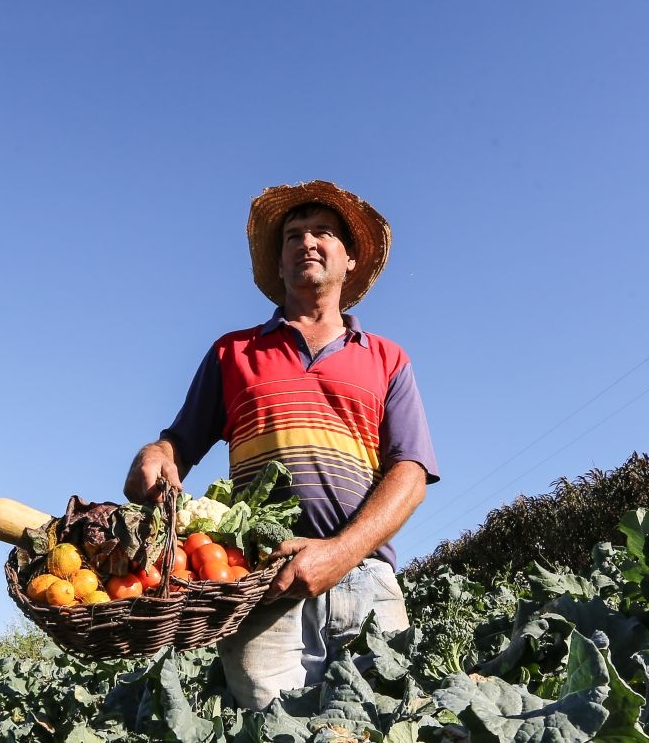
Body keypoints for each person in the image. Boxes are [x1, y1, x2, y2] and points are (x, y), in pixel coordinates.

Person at [122, 181, 439, 709]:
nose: (306, 242)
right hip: (258, 583)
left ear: (351, 258)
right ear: (280, 259)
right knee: (269, 726)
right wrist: (154, 454)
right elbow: (180, 442)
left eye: (322, 233)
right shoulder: (233, 353)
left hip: (367, 579)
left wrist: (339, 553)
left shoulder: (388, 359)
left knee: (387, 721)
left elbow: (409, 473)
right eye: (293, 235)